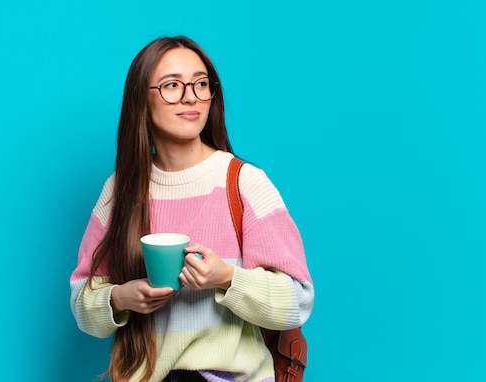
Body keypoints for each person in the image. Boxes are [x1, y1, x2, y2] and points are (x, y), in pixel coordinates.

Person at [70, 35, 314, 382]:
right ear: (141, 99)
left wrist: (227, 278)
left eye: (201, 84)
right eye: (172, 85)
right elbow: (83, 305)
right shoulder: (120, 191)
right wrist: (121, 298)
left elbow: (298, 301)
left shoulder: (245, 183)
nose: (190, 96)